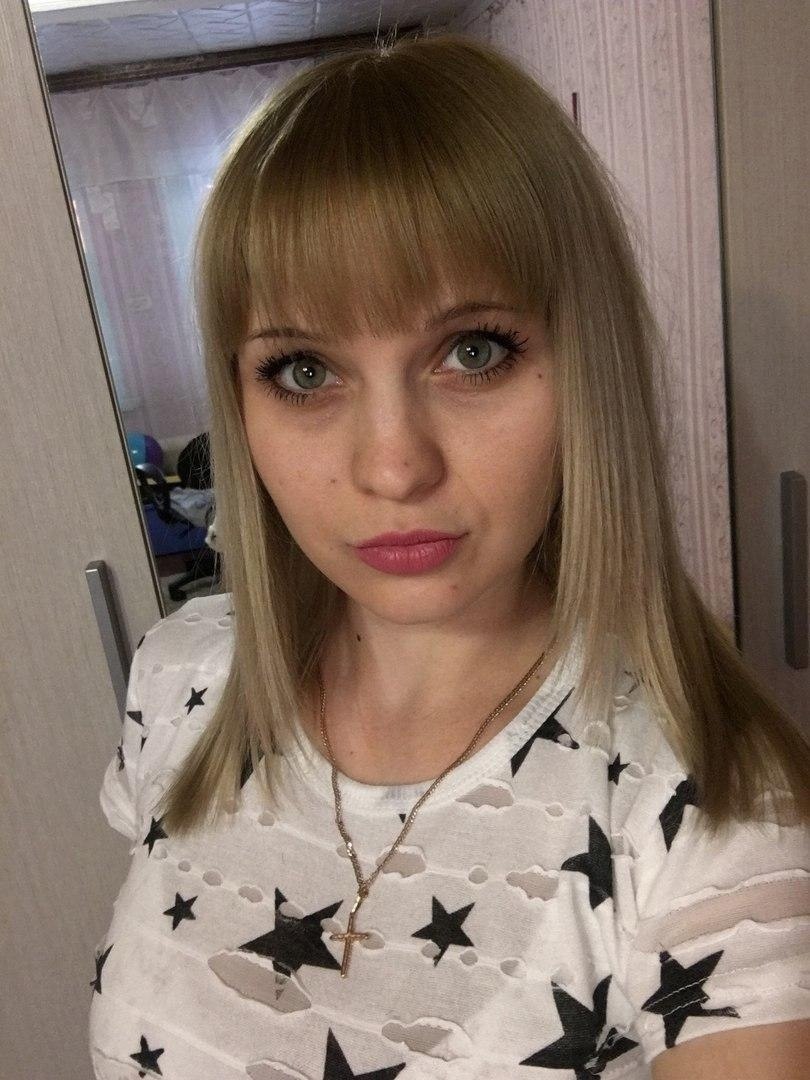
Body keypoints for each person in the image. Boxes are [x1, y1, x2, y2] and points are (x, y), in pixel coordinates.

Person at [89, 31, 810, 1080]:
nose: (393, 466)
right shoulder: (180, 682)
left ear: (586, 366)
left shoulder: (714, 816)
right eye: (303, 371)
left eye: (473, 352)